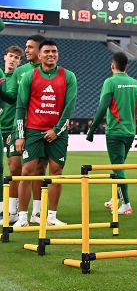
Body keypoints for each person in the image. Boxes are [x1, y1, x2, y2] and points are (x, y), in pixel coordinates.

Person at [13, 40, 77, 227]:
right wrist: (20, 135)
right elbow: (20, 106)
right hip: (33, 131)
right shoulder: (29, 76)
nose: (51, 54)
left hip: (58, 132)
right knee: (27, 172)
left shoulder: (69, 76)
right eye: (47, 51)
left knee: (56, 172)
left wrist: (56, 130)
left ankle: (51, 216)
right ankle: (23, 217)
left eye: (54, 51)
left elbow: (69, 107)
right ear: (39, 56)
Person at [86, 52, 137, 214]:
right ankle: (114, 199)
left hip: (114, 132)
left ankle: (126, 204)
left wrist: (92, 130)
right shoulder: (135, 83)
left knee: (118, 168)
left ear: (112, 66)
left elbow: (102, 108)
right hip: (129, 133)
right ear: (127, 66)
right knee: (118, 166)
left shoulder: (110, 82)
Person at [2, 36, 44, 224]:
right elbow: (12, 98)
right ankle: (11, 211)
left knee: (37, 169)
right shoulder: (20, 72)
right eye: (24, 48)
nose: (26, 51)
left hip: (38, 127)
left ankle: (36, 213)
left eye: (29, 48)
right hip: (16, 127)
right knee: (14, 168)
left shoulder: (49, 73)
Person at [0, 45, 23, 223]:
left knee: (13, 168)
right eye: (11, 56)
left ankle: (12, 209)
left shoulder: (19, 79)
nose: (13, 60)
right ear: (5, 57)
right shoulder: (1, 75)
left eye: (17, 58)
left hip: (11, 128)